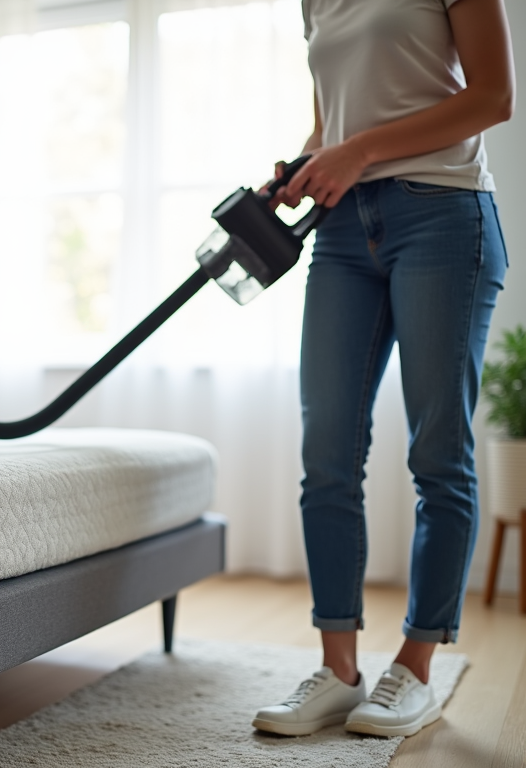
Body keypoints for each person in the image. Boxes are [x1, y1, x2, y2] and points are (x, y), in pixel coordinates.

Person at [252, 0, 515, 738]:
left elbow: (493, 98)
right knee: (327, 452)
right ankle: (339, 670)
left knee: (438, 453)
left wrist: (358, 150)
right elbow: (332, 124)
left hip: (443, 215)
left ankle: (416, 667)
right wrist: (308, 163)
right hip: (342, 231)